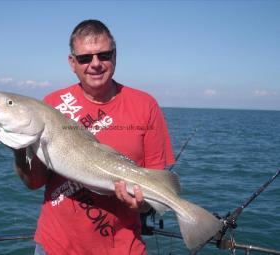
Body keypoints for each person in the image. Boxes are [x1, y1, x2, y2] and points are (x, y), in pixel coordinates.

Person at [13, 19, 175, 255]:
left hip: (123, 248)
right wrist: (19, 146)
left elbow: (158, 181)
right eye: (85, 58)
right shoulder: (52, 105)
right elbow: (34, 182)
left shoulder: (146, 105)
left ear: (115, 56)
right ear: (72, 62)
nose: (95, 64)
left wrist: (142, 205)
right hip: (56, 246)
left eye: (104, 55)